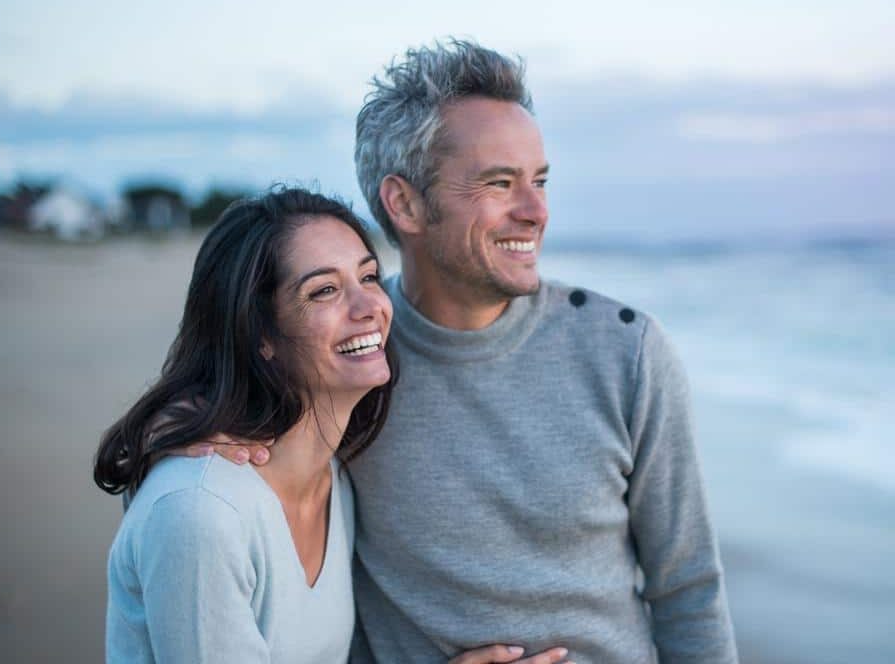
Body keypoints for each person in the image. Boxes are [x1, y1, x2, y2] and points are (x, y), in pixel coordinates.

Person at [210, 40, 737, 662]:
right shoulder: (345, 361)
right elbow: (220, 464)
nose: (536, 211)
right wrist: (180, 439)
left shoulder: (628, 351)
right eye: (499, 183)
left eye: (539, 181)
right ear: (404, 203)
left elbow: (688, 592)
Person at [95, 188, 570, 664]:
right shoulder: (203, 514)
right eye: (323, 290)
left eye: (368, 276)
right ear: (259, 333)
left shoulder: (335, 480)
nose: (371, 306)